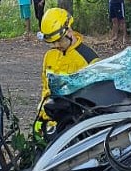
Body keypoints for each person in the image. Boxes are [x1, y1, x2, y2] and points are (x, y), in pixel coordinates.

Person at [35, 7, 98, 136]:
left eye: (59, 40)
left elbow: (93, 103)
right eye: (52, 42)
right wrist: (40, 117)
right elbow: (46, 90)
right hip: (48, 120)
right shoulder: (50, 56)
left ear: (69, 30)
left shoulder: (89, 59)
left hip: (73, 126)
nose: (56, 45)